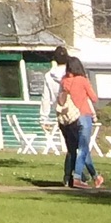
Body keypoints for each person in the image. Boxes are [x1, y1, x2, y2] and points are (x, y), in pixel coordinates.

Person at [60, 55, 103, 191]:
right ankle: (77, 177)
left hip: (71, 119)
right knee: (83, 149)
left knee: (79, 150)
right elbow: (94, 98)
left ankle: (95, 177)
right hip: (84, 115)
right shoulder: (82, 80)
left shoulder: (64, 81)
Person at [41, 45, 74, 184]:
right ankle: (78, 175)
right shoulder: (71, 73)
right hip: (74, 111)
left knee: (70, 146)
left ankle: (68, 176)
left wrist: (44, 118)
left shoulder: (49, 76)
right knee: (79, 146)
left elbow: (46, 97)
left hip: (60, 113)